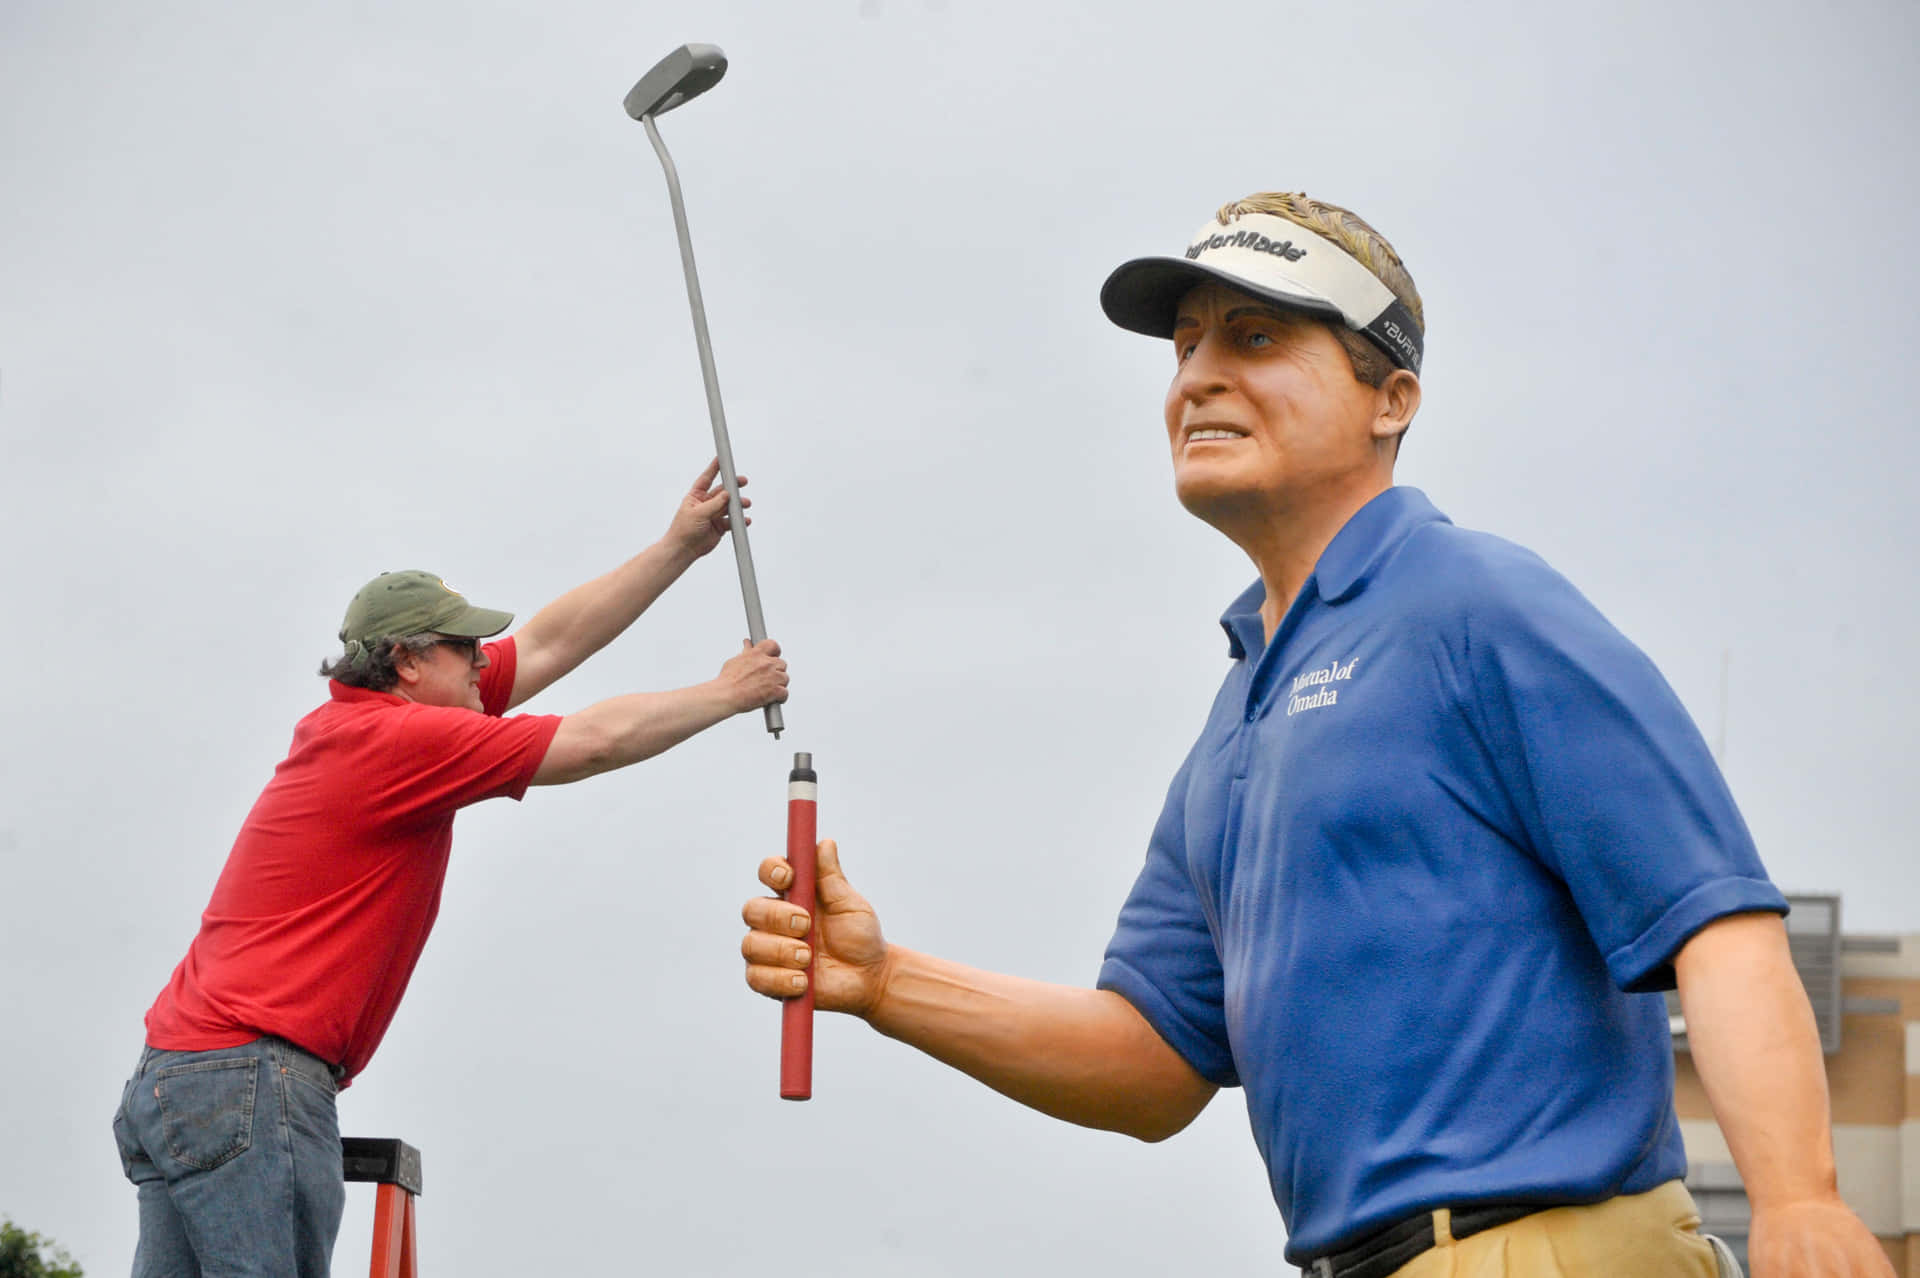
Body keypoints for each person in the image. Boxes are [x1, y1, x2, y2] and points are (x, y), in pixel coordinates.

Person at [740, 194, 1890, 1278]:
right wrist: (887, 982)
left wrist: (1801, 1201)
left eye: (1254, 338)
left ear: (1392, 398)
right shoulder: (1231, 728)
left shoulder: (1476, 604)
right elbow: (1153, 1063)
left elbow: (1714, 921)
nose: (1199, 377)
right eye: (1186, 346)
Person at [114, 460, 787, 1277]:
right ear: (406, 661)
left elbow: (548, 642)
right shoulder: (399, 741)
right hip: (248, 1077)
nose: (481, 660)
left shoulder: (362, 726)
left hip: (179, 1077)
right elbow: (590, 743)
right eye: (463, 646)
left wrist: (678, 545)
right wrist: (725, 692)